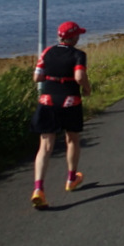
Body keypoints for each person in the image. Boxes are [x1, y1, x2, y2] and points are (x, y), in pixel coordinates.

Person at [30, 21, 91, 209]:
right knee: (72, 139)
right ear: (73, 38)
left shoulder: (47, 52)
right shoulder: (78, 55)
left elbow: (37, 77)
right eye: (78, 35)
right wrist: (87, 88)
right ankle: (71, 178)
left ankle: (39, 188)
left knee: (45, 146)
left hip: (47, 101)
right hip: (70, 101)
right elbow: (80, 77)